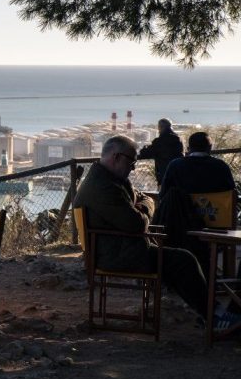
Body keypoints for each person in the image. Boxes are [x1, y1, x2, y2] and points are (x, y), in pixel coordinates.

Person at [73, 135, 240, 332]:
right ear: (117, 157)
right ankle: (213, 316)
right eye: (132, 161)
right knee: (184, 260)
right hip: (120, 255)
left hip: (120, 249)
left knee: (180, 259)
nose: (133, 167)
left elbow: (143, 199)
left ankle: (212, 314)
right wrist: (145, 208)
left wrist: (143, 206)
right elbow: (136, 223)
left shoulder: (107, 180)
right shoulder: (103, 187)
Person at [158, 131, 239, 273]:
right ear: (210, 148)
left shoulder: (176, 166)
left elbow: (164, 196)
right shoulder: (221, 167)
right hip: (217, 226)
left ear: (189, 148)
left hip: (182, 226)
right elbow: (231, 195)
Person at [138, 118, 184, 186]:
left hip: (164, 175)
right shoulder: (178, 141)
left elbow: (146, 153)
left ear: (161, 127)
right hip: (178, 174)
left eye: (158, 127)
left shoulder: (159, 141)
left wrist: (143, 149)